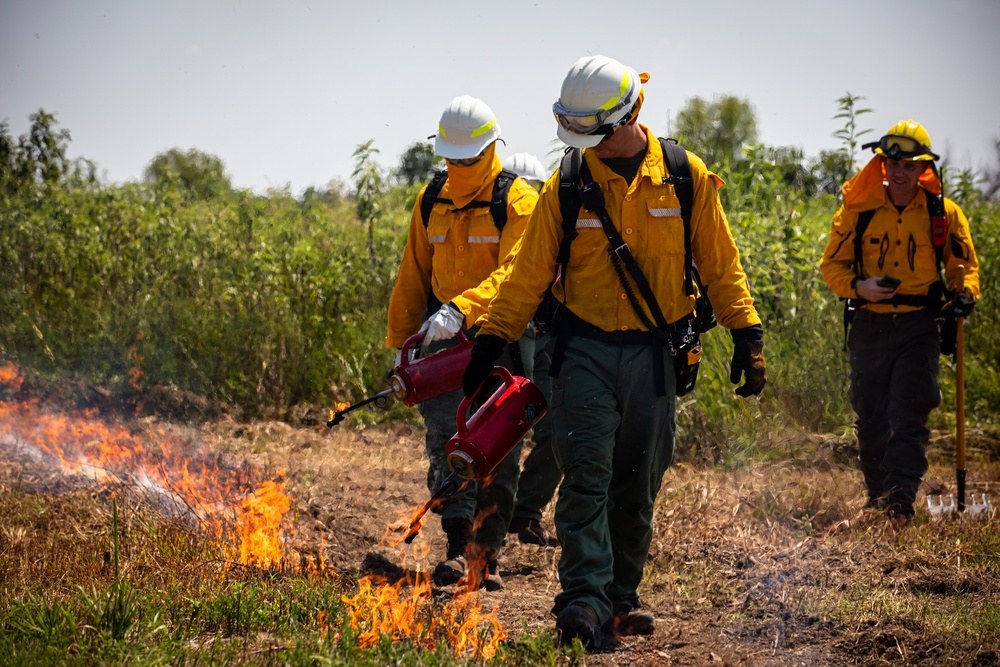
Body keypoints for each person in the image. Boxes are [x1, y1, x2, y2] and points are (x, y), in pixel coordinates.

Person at [461, 55, 766, 648]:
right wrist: (493, 339)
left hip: (654, 358)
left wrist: (746, 334)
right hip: (584, 353)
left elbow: (721, 265)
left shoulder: (684, 175)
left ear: (629, 114)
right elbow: (526, 276)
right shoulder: (570, 183)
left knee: (637, 482)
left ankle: (620, 601)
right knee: (586, 477)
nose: (589, 146)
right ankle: (582, 598)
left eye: (595, 134)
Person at [385, 95, 538, 590]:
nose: (459, 167)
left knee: (498, 449)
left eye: (468, 159)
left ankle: (484, 556)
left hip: (502, 340)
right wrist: (402, 341)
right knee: (442, 444)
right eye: (451, 158)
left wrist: (464, 308)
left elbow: (519, 271)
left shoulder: (518, 201)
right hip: (441, 346)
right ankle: (455, 547)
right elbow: (412, 274)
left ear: (491, 149)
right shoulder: (432, 199)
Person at [819, 119, 979, 523]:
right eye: (893, 164)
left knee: (910, 414)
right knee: (871, 419)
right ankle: (879, 497)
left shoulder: (944, 213)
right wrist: (859, 286)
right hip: (869, 324)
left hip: (919, 326)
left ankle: (899, 504)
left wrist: (965, 296)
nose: (900, 173)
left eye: (909, 165)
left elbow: (965, 267)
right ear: (882, 166)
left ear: (923, 168)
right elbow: (830, 267)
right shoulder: (859, 211)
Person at [500, 152, 560, 547]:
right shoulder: (494, 221)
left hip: (547, 335)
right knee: (504, 430)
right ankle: (488, 521)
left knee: (555, 428)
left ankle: (525, 513)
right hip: (502, 335)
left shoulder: (555, 227)